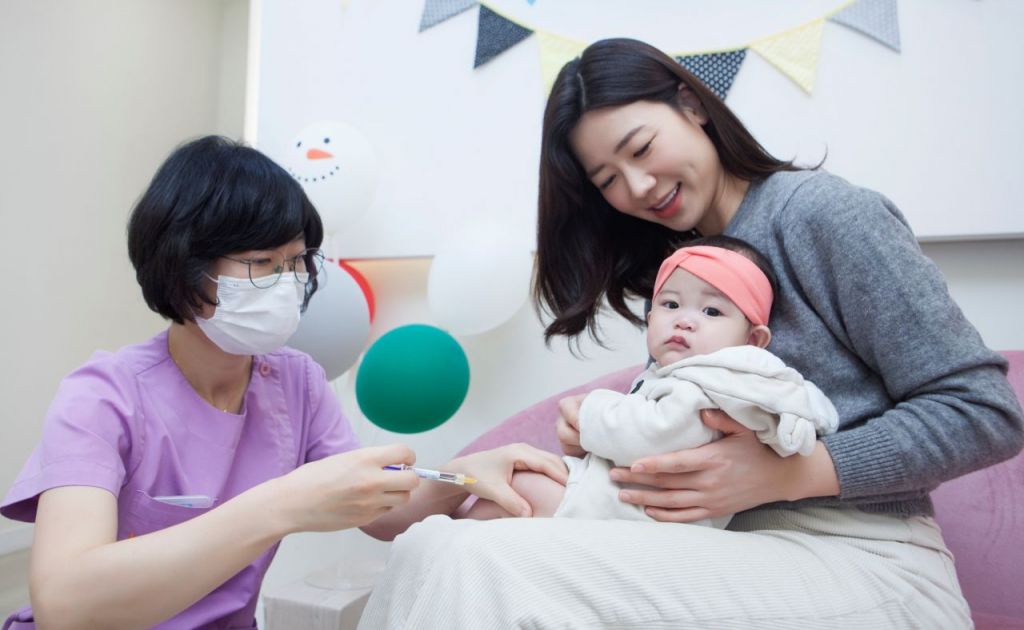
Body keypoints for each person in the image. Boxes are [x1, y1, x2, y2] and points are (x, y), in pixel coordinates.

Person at [356, 38, 1024, 628]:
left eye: (642, 148)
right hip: (723, 548)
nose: (639, 186)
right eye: (608, 179)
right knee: (436, 545)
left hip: (866, 562)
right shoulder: (685, 275)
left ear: (692, 104)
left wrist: (788, 472)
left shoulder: (824, 215)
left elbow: (985, 412)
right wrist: (603, 437)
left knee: (480, 566)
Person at [0, 136, 564, 630]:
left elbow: (379, 508)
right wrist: (282, 505)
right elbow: (65, 604)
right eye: (262, 262)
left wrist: (464, 476)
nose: (288, 283)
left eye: (296, 262)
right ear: (182, 267)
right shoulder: (103, 396)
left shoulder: (295, 382)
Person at [465, 237, 838, 527]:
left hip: (646, 513)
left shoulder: (717, 381)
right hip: (624, 495)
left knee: (517, 491)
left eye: (711, 311)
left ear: (752, 340)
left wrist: (593, 414)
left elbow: (660, 433)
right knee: (502, 490)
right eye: (670, 304)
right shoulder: (682, 373)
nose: (684, 320)